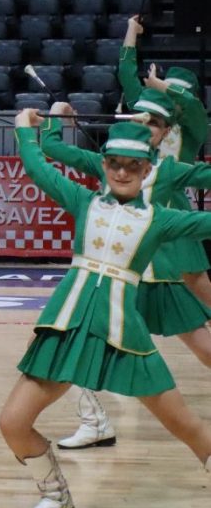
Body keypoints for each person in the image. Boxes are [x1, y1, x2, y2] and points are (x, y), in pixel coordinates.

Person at [1, 112, 211, 508]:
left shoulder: (159, 219)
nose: (121, 171)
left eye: (132, 165)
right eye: (114, 162)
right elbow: (39, 169)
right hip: (67, 326)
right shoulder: (84, 201)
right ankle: (56, 495)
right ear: (104, 165)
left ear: (147, 169)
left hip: (123, 335)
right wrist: (26, 130)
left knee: (185, 425)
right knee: (12, 422)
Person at [40, 94, 211, 450]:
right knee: (74, 341)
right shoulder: (105, 162)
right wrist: (58, 115)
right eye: (141, 118)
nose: (146, 126)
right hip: (108, 283)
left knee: (204, 347)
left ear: (165, 133)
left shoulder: (168, 171)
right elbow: (52, 148)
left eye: (154, 123)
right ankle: (94, 421)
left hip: (159, 276)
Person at [118, 15, 211, 309]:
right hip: (139, 205)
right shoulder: (150, 115)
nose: (164, 93)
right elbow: (125, 73)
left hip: (173, 207)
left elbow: (194, 106)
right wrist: (132, 30)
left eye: (171, 90)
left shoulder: (194, 124)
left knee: (197, 281)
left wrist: (161, 85)